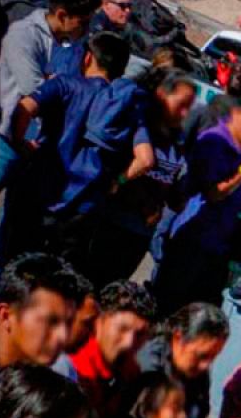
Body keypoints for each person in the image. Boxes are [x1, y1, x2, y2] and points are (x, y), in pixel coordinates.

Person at [1, 30, 130, 262]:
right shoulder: (124, 105)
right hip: (83, 202)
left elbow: (25, 107)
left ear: (88, 58)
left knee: (16, 260)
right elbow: (144, 158)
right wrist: (117, 182)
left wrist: (20, 143)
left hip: (40, 185)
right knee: (56, 270)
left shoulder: (65, 84)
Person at [152, 89, 241, 315]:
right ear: (236, 114)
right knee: (167, 310)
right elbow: (213, 193)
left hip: (219, 249)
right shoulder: (216, 141)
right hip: (192, 242)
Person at [0, 0, 98, 221]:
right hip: (3, 138)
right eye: (82, 22)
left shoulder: (64, 42)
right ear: (62, 15)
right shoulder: (24, 35)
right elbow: (35, 89)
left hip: (29, 144)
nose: (85, 29)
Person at [82, 66, 196, 283]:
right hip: (112, 223)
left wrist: (179, 198)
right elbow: (120, 174)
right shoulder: (140, 129)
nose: (185, 113)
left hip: (141, 233)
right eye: (181, 105)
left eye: (188, 107)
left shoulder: (178, 140)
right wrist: (144, 204)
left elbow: (170, 186)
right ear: (162, 95)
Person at [0, 254, 83, 418]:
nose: (63, 336)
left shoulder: (45, 370)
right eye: (50, 322)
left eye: (69, 323)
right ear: (5, 316)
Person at [132, 303, 228, 418]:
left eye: (212, 358)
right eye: (201, 356)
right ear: (178, 338)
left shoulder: (198, 373)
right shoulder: (148, 367)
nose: (205, 365)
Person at [68, 280, 156, 418]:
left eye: (139, 335)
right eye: (122, 329)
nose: (128, 342)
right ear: (99, 322)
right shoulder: (73, 370)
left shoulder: (128, 371)